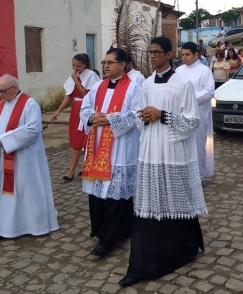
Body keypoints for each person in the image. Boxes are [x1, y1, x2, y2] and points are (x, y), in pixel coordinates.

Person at [119, 37, 207, 287]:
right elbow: (139, 116)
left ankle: (182, 248)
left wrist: (162, 115)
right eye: (150, 52)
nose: (153, 56)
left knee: (176, 198)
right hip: (151, 150)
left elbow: (191, 121)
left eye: (157, 52)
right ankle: (144, 261)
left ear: (169, 55)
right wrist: (145, 117)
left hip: (173, 150)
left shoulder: (182, 83)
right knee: (150, 201)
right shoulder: (146, 84)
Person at [80, 48, 141, 257]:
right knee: (98, 193)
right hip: (97, 147)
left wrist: (111, 119)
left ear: (122, 65)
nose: (105, 66)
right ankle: (101, 229)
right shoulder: (98, 86)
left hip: (120, 149)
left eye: (110, 62)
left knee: (116, 196)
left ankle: (109, 239)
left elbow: (136, 115)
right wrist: (92, 117)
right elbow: (85, 107)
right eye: (104, 62)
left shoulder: (134, 87)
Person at [0, 74, 59, 241]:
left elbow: (33, 128)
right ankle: (5, 227)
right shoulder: (3, 104)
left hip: (26, 158)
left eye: (3, 91)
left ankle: (35, 224)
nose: (0, 95)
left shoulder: (29, 104)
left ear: (15, 88)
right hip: (6, 156)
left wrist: (2, 139)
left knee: (28, 190)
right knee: (7, 192)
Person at [51, 53, 100, 181]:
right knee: (76, 140)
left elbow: (86, 94)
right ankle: (71, 171)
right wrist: (58, 111)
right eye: (73, 65)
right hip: (75, 110)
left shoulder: (91, 75)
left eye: (78, 66)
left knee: (88, 139)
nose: (75, 68)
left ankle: (86, 167)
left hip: (87, 110)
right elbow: (69, 95)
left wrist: (76, 81)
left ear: (84, 65)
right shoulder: (73, 76)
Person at [176, 42, 215, 180]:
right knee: (182, 146)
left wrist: (190, 100)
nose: (184, 58)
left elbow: (209, 91)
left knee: (198, 146)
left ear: (196, 55)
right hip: (180, 114)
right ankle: (184, 177)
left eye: (187, 55)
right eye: (182, 55)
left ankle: (198, 178)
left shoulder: (204, 71)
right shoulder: (178, 71)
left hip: (198, 114)